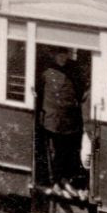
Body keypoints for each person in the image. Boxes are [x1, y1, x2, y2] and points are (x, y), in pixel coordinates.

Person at [39, 50, 84, 196]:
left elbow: (78, 93)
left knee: (67, 151)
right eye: (59, 55)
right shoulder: (46, 72)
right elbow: (40, 94)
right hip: (52, 119)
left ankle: (64, 180)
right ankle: (54, 182)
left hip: (69, 119)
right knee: (53, 152)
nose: (63, 58)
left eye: (65, 55)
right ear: (53, 55)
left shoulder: (73, 71)